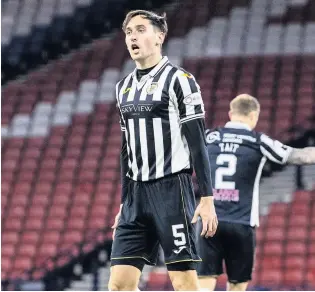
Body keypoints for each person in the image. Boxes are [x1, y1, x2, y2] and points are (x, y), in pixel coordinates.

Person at [108, 10, 218, 291]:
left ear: (160, 37)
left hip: (172, 191)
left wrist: (207, 197)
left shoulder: (180, 80)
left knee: (183, 284)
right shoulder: (123, 88)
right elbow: (126, 149)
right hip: (135, 195)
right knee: (119, 285)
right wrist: (124, 201)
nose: (133, 36)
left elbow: (197, 142)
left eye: (141, 30)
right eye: (129, 32)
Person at [197, 94, 315, 291]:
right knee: (237, 285)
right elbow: (298, 156)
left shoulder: (209, 136)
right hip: (241, 224)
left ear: (230, 113)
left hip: (209, 222)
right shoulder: (258, 140)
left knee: (204, 283)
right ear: (254, 116)